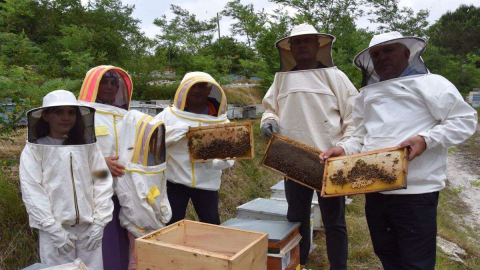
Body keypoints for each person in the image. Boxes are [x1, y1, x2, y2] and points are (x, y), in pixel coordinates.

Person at [320, 31, 478, 269]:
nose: (382, 57)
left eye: (389, 50)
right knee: (386, 253)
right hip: (375, 190)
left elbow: (464, 120)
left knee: (417, 262)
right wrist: (343, 149)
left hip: (416, 193)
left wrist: (426, 139)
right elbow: (361, 136)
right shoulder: (367, 95)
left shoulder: (433, 84)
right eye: (376, 54)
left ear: (406, 53)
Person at [260, 23, 358, 270]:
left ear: (318, 45)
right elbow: (270, 108)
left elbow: (355, 118)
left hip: (330, 161)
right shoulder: (281, 78)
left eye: (307, 41)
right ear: (290, 48)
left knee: (334, 223)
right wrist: (269, 120)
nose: (302, 46)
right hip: (293, 161)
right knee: (297, 219)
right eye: (297, 42)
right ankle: (298, 265)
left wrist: (346, 147)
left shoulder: (336, 77)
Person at [19, 90, 113, 270]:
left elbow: (102, 181)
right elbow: (32, 190)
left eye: (71, 112)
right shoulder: (34, 150)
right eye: (59, 112)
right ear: (45, 116)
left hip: (89, 229)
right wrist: (52, 228)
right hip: (55, 233)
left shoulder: (90, 148)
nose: (66, 117)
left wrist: (100, 222)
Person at [155, 71, 234, 226]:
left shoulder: (222, 121)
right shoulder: (168, 115)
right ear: (184, 89)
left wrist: (213, 161)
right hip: (175, 182)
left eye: (202, 86)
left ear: (209, 89)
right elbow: (150, 139)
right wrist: (176, 131)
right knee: (171, 225)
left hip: (207, 183)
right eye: (193, 87)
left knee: (211, 225)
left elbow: (230, 156)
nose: (197, 90)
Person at [78, 66, 133, 270]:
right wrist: (102, 166)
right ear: (92, 85)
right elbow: (73, 156)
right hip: (95, 191)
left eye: (113, 83)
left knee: (123, 244)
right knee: (103, 246)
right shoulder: (79, 114)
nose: (110, 87)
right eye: (104, 82)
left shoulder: (126, 116)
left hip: (125, 192)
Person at [116, 109, 172, 270]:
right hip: (140, 227)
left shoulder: (151, 161)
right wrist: (155, 222)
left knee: (150, 260)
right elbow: (134, 206)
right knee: (137, 261)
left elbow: (160, 190)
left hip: (155, 223)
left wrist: (163, 211)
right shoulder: (126, 169)